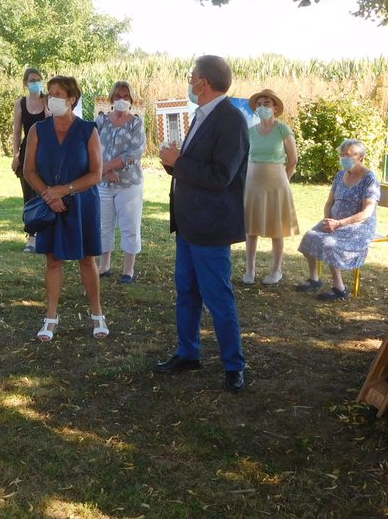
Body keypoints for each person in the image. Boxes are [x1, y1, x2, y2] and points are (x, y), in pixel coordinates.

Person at [154, 55, 248, 393]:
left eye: (192, 76)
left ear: (203, 83)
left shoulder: (231, 120)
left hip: (211, 226)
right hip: (189, 223)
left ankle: (234, 365)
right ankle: (187, 353)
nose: (189, 81)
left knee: (218, 297)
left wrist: (179, 162)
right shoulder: (201, 115)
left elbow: (221, 176)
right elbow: (193, 167)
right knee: (186, 293)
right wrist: (172, 164)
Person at [23, 75, 107, 341]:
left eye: (58, 93)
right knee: (53, 259)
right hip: (50, 204)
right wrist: (50, 195)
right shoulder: (38, 130)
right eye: (50, 93)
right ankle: (50, 317)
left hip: (82, 202)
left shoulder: (88, 130)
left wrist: (65, 189)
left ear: (71, 99)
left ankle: (97, 315)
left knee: (87, 259)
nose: (51, 98)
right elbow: (29, 170)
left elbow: (96, 174)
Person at [295, 139, 380, 302]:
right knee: (310, 236)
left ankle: (340, 288)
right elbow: (329, 203)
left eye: (348, 155)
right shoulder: (340, 175)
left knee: (329, 243)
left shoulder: (369, 178)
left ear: (360, 157)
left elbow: (367, 212)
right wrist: (329, 219)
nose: (343, 158)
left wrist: (340, 223)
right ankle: (314, 279)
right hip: (335, 221)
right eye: (341, 155)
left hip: (358, 226)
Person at [243, 88, 300, 285]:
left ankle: (276, 270)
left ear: (275, 108)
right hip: (252, 184)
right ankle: (250, 270)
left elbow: (293, 159)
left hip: (277, 184)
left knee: (277, 228)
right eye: (259, 104)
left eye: (266, 103)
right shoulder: (250, 131)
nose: (262, 107)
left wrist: (283, 180)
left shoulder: (283, 129)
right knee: (251, 229)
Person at [96, 80, 146, 284]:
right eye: (118, 96)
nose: (121, 100)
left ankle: (128, 269)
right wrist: (106, 172)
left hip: (129, 184)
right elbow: (93, 149)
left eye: (126, 96)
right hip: (104, 183)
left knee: (129, 226)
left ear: (132, 100)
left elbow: (135, 152)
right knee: (103, 225)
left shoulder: (136, 123)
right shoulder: (101, 121)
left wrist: (107, 167)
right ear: (111, 99)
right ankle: (104, 265)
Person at [12, 67, 47, 253]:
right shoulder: (21, 103)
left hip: (47, 152)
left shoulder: (48, 99)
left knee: (45, 192)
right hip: (27, 152)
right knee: (29, 195)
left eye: (39, 79)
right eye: (32, 80)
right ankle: (31, 236)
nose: (36, 83)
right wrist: (16, 155)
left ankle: (46, 234)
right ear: (25, 83)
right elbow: (17, 131)